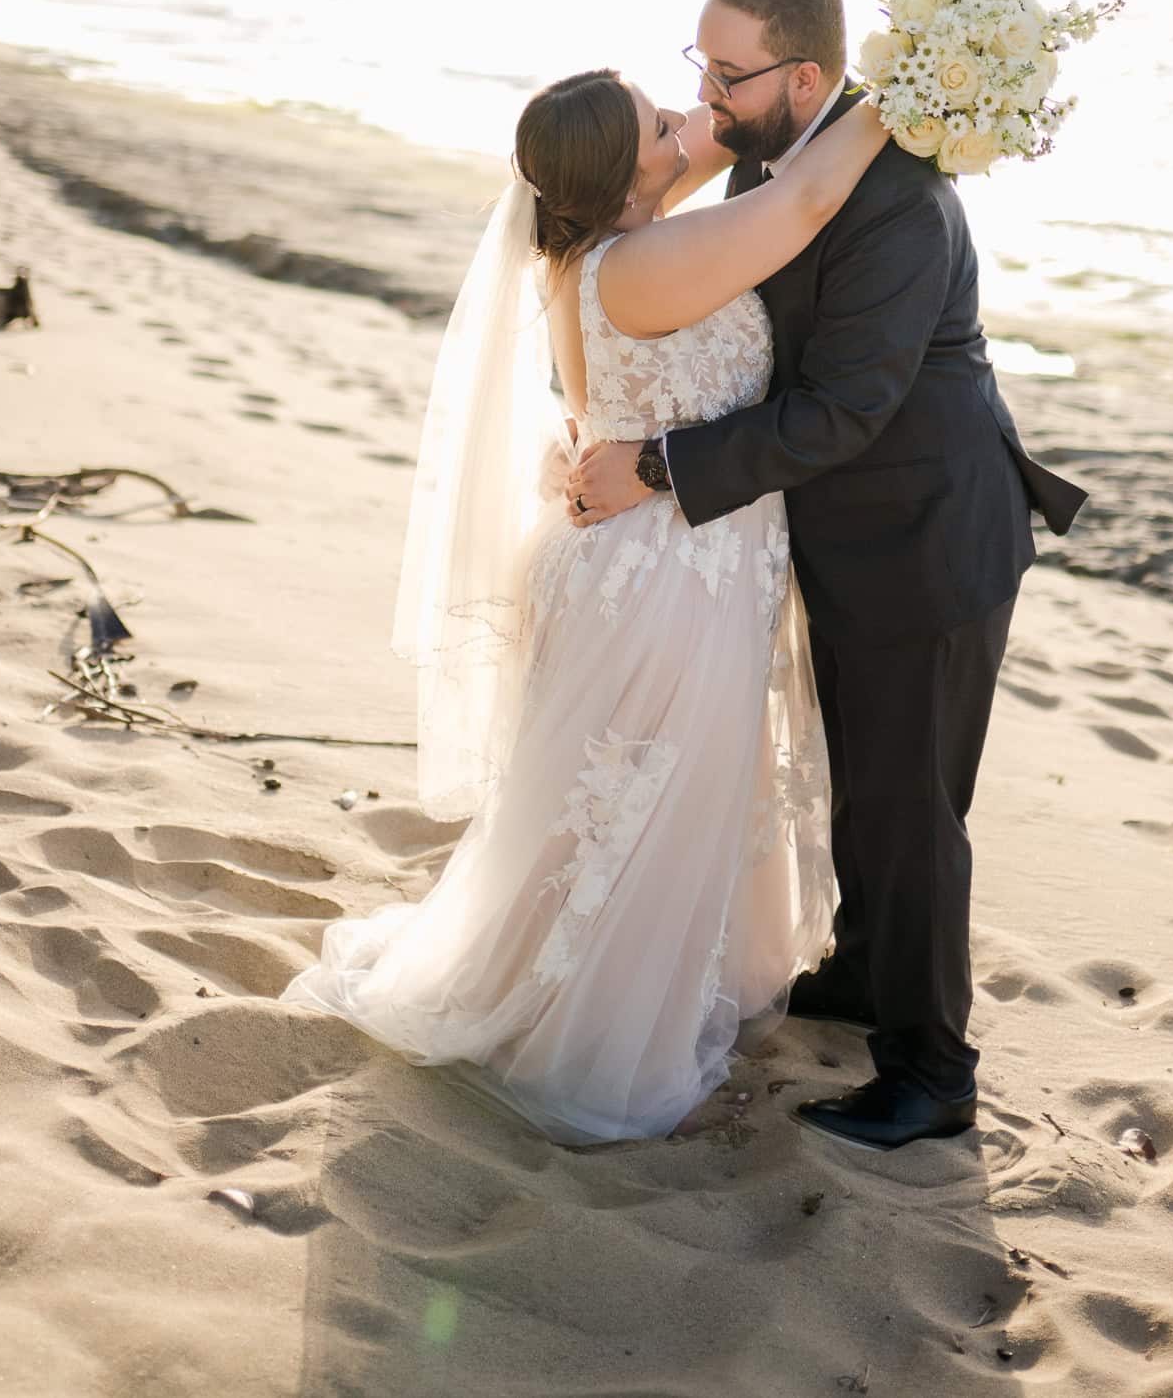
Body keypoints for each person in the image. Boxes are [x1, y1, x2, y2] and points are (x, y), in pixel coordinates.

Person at [280, 63, 893, 1145]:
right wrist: (912, 82)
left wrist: (756, 86)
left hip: (643, 562)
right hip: (665, 578)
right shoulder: (646, 261)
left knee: (606, 809)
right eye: (660, 122)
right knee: (640, 809)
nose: (686, 122)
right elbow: (802, 199)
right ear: (621, 181)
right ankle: (594, 1037)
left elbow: (713, 140)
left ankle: (579, 986)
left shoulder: (599, 243)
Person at [570, 0, 1086, 1153]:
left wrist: (655, 469)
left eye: (728, 73)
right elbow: (622, 207)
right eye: (697, 65)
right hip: (849, 534)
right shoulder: (778, 151)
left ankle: (930, 1070)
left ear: (803, 78)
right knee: (868, 779)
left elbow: (843, 409)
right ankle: (863, 979)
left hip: (926, 534)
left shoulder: (895, 196)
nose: (705, 96)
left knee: (910, 808)